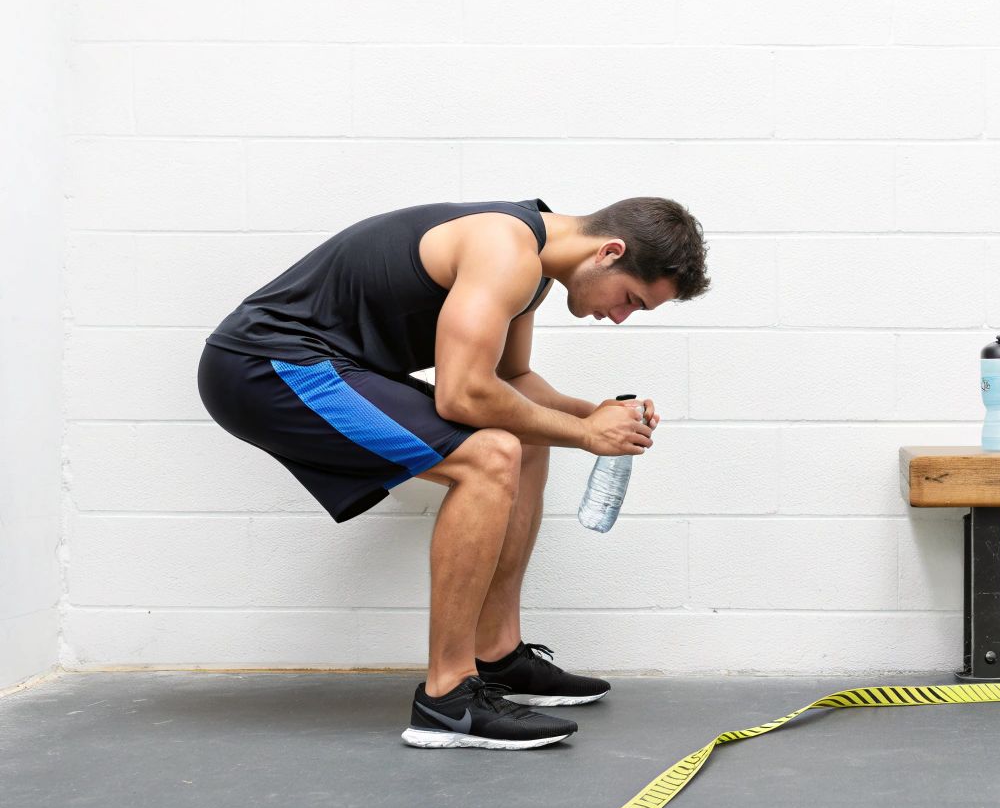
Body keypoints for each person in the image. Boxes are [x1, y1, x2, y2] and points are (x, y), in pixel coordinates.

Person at [196, 197, 710, 750]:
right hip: (266, 366)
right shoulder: (505, 248)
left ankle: (497, 655)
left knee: (526, 441)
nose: (619, 317)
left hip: (318, 363)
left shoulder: (533, 262)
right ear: (610, 253)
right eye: (630, 299)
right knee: (490, 455)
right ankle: (446, 698)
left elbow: (510, 380)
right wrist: (585, 435)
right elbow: (464, 393)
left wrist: (592, 414)